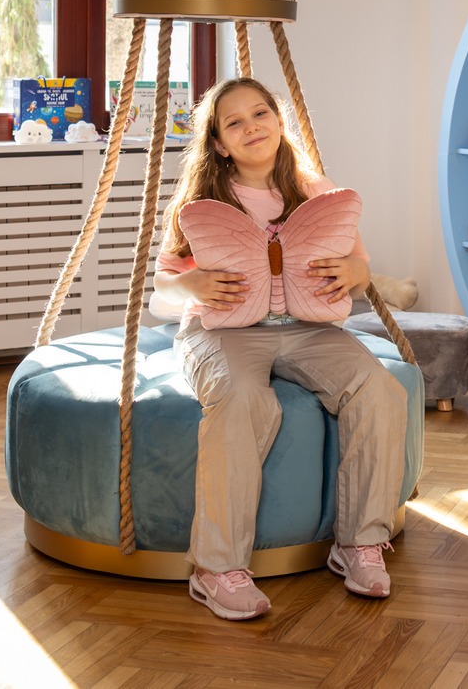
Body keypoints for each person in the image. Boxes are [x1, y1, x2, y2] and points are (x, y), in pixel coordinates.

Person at [150, 77, 411, 621]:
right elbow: (160, 293)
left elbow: (359, 269)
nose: (251, 127)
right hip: (223, 331)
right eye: (234, 122)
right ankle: (217, 568)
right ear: (219, 142)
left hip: (308, 329)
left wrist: (355, 274)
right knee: (243, 399)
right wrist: (190, 284)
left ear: (278, 119)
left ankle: (360, 543)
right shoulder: (203, 202)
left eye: (261, 113)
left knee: (379, 389)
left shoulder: (315, 190)